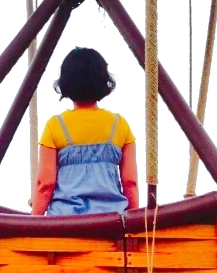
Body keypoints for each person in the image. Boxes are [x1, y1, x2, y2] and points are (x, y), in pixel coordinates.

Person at [32, 47, 139, 215]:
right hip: (111, 221)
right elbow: (130, 182)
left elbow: (45, 185)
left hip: (65, 222)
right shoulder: (120, 124)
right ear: (104, 81)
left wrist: (34, 223)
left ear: (65, 83)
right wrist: (135, 224)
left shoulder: (55, 125)